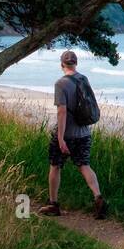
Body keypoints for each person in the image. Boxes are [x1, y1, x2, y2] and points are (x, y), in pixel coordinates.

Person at [38, 50, 107, 218]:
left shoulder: (60, 84)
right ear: (76, 63)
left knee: (55, 166)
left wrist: (60, 138)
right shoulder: (83, 79)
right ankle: (98, 198)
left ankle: (53, 204)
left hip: (67, 134)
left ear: (62, 64)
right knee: (84, 165)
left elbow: (61, 112)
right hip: (84, 132)